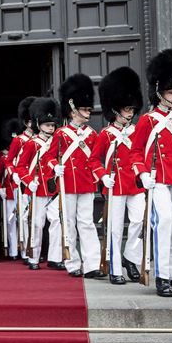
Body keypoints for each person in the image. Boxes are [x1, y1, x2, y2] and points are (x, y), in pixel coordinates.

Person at [131, 49, 172, 297]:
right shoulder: (147, 120)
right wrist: (143, 173)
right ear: (159, 93)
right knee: (164, 221)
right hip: (156, 178)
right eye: (171, 92)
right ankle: (162, 276)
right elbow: (135, 152)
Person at [43, 74, 103, 279]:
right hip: (67, 184)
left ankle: (92, 264)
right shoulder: (60, 134)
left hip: (86, 184)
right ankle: (72, 263)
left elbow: (95, 159)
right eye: (84, 109)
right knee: (68, 223)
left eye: (88, 108)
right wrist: (55, 167)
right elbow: (48, 158)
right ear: (73, 109)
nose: (88, 112)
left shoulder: (92, 134)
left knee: (86, 223)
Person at [89, 67, 145, 285]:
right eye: (125, 109)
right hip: (115, 185)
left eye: (131, 108)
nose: (129, 113)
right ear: (115, 110)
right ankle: (114, 267)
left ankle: (131, 257)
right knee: (113, 228)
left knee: (140, 222)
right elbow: (94, 160)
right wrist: (103, 176)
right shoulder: (105, 134)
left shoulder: (138, 130)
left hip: (136, 183)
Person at [16, 97, 64, 270]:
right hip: (37, 189)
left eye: (52, 125)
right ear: (38, 124)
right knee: (37, 224)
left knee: (57, 221)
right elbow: (20, 167)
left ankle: (55, 257)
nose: (50, 128)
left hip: (53, 188)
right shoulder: (31, 144)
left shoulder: (58, 142)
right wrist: (29, 182)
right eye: (47, 125)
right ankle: (34, 257)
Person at [5, 97, 37, 264]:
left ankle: (37, 249)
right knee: (24, 217)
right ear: (26, 122)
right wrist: (14, 174)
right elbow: (9, 161)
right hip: (22, 182)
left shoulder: (41, 139)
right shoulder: (19, 140)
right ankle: (25, 251)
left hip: (37, 181)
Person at [0, 118, 23, 259]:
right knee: (11, 223)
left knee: (25, 223)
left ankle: (25, 251)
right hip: (10, 193)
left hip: (24, 192)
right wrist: (0, 189)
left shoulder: (24, 153)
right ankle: (13, 251)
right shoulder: (4, 156)